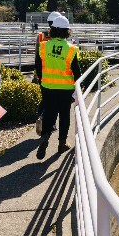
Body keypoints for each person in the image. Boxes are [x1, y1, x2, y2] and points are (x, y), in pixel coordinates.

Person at [34, 15, 80, 160]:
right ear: (67, 32)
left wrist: (43, 80)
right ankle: (61, 143)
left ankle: (45, 138)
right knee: (64, 116)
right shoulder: (71, 49)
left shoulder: (43, 46)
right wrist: (78, 89)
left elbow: (38, 67)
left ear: (52, 30)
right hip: (65, 89)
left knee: (49, 114)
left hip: (47, 86)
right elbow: (77, 72)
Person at [33, 11, 62, 135]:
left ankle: (41, 116)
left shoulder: (40, 36)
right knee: (55, 100)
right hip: (57, 73)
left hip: (43, 72)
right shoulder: (61, 36)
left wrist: (38, 73)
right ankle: (51, 123)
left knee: (45, 98)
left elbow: (37, 56)